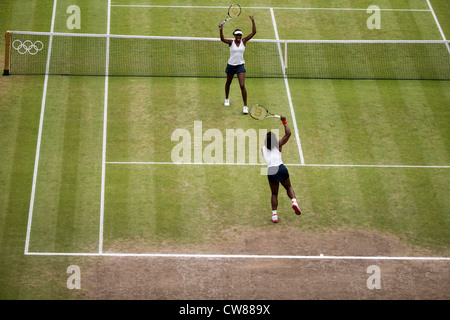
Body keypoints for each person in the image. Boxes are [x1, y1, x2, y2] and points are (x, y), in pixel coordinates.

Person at [261, 116, 302, 223]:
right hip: (281, 168)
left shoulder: (263, 149)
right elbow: (288, 133)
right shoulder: (278, 144)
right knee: (288, 187)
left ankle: (274, 215)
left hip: (271, 171)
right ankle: (294, 202)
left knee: (274, 194)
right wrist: (284, 121)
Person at [219, 15, 256, 114]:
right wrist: (221, 30)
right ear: (234, 35)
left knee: (242, 85)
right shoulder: (231, 42)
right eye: (237, 35)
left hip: (240, 66)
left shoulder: (244, 41)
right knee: (228, 82)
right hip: (231, 65)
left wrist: (252, 20)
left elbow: (253, 32)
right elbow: (222, 39)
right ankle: (227, 99)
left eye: (240, 35)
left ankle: (245, 106)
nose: (239, 36)